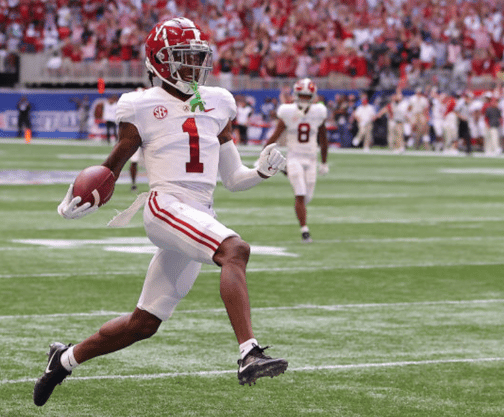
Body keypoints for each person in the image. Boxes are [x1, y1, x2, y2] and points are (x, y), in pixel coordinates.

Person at [34, 17, 289, 408]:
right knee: (235, 250)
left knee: (143, 323)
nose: (193, 66)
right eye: (183, 58)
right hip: (166, 205)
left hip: (199, 212)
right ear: (159, 62)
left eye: (196, 57)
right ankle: (249, 353)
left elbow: (234, 179)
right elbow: (111, 169)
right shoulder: (141, 104)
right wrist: (76, 197)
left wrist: (262, 171)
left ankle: (64, 360)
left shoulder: (218, 101)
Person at [262, 78, 328, 243]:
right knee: (299, 193)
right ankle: (305, 231)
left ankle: (286, 171)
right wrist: (265, 152)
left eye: (307, 96)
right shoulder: (288, 111)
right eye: (302, 95)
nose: (304, 99)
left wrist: (324, 162)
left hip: (311, 159)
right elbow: (276, 135)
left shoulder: (318, 111)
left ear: (312, 96)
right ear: (296, 95)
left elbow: (323, 138)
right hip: (295, 157)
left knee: (307, 197)